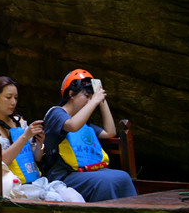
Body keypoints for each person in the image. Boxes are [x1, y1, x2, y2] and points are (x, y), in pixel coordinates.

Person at [41, 69, 137, 202]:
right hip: (65, 176)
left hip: (88, 171)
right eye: (87, 96)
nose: (90, 101)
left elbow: (110, 132)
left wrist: (101, 100)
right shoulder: (56, 113)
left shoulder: (84, 122)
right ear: (71, 94)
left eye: (91, 97)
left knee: (123, 177)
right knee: (106, 181)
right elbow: (73, 126)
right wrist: (94, 101)